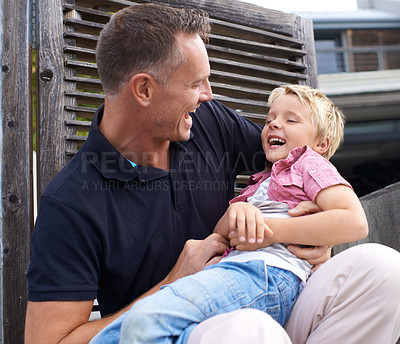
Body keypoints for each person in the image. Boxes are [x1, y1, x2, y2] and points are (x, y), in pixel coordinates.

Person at [24, 3, 400, 344]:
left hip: (274, 291)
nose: (208, 94)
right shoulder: (71, 202)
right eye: (195, 83)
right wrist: (173, 282)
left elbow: (298, 165)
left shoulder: (205, 121)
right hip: (181, 332)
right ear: (144, 89)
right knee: (246, 331)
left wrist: (313, 232)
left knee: (384, 271)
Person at [89, 84, 369, 343]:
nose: (273, 123)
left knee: (149, 321)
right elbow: (223, 231)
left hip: (266, 273)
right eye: (271, 117)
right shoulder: (262, 180)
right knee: (133, 325)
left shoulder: (308, 163)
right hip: (234, 271)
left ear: (321, 144)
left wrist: (269, 231)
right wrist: (240, 211)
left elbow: (354, 221)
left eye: (290, 120)